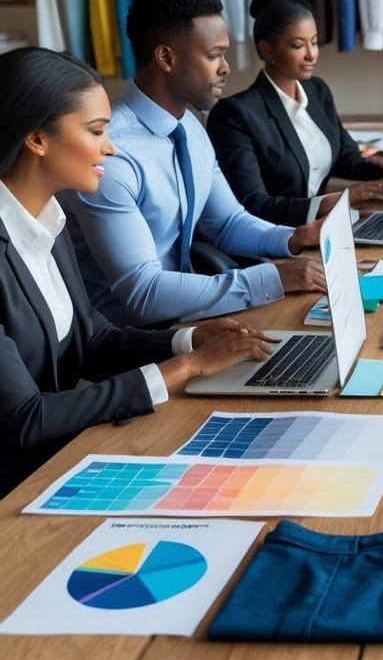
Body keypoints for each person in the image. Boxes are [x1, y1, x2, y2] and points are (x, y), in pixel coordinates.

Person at [0, 47, 276, 497]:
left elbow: (93, 340)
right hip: (19, 487)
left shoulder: (48, 218)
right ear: (37, 139)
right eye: (96, 131)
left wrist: (192, 339)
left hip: (61, 461)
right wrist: (185, 368)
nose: (110, 146)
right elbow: (26, 419)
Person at [61, 0, 327, 328]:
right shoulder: (112, 156)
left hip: (187, 318)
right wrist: (275, 279)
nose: (226, 68)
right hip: (130, 344)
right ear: (166, 58)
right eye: (214, 55)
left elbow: (228, 222)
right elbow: (144, 293)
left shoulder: (190, 126)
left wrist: (294, 237)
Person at [206, 0, 383, 226]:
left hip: (324, 227)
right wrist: (338, 200)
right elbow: (252, 204)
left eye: (314, 42)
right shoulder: (236, 114)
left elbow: (344, 156)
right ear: (267, 49)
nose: (312, 55)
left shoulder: (317, 91)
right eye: (298, 45)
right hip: (280, 240)